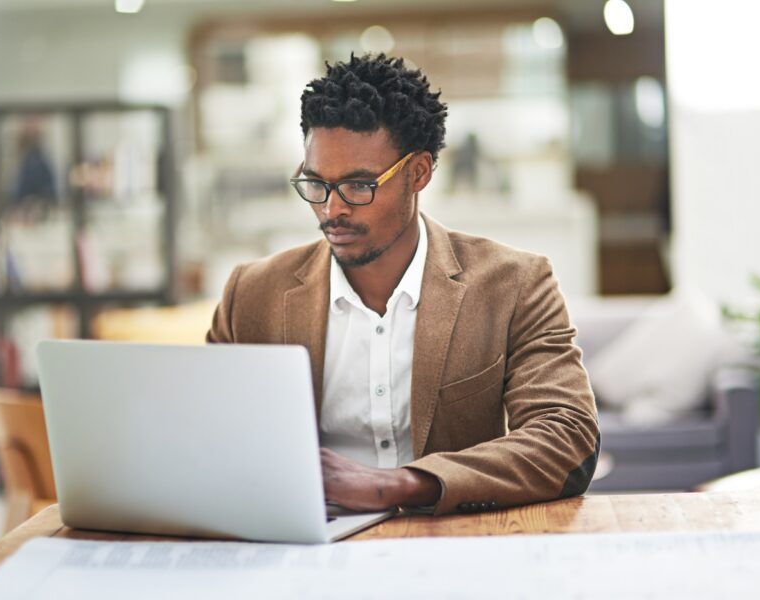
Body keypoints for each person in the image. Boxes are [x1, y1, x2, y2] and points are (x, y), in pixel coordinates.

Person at [207, 53, 599, 516]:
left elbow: (567, 437)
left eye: (358, 186)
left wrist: (401, 485)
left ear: (419, 173)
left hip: (453, 545)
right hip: (302, 552)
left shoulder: (513, 285)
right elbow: (207, 437)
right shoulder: (252, 294)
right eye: (316, 184)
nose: (331, 210)